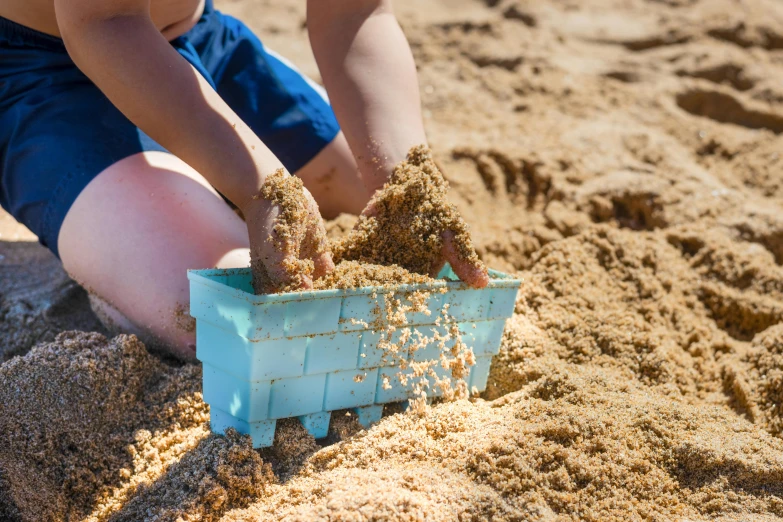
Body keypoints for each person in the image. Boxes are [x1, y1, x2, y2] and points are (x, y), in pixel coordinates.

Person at [0, 0, 488, 359]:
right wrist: (264, 188)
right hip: (44, 64)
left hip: (194, 37)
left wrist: (407, 185)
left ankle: (187, 191)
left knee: (379, 199)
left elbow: (353, 11)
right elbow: (104, 22)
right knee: (227, 311)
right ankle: (122, 265)